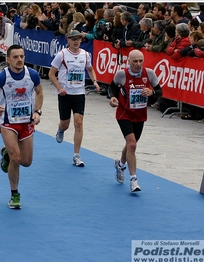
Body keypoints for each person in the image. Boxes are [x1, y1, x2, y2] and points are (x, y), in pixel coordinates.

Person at [0, 44, 44, 209]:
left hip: (26, 122)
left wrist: (37, 112)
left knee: (26, 161)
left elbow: (39, 92)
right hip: (8, 123)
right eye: (15, 57)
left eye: (22, 56)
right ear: (8, 60)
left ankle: (6, 154)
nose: (19, 60)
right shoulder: (1, 77)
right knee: (16, 159)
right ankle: (14, 195)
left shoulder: (33, 75)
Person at [108, 49, 162, 192]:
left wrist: (152, 93)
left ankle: (120, 164)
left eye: (140, 61)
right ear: (129, 62)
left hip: (140, 116)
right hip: (124, 114)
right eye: (135, 61)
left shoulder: (149, 74)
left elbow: (160, 92)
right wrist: (112, 98)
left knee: (131, 144)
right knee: (132, 144)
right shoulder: (122, 74)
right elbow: (111, 88)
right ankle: (134, 180)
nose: (138, 64)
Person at [48, 29, 100, 167]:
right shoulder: (61, 55)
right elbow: (51, 74)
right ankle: (60, 129)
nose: (76, 41)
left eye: (78, 39)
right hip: (65, 94)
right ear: (68, 40)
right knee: (65, 124)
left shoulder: (85, 55)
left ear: (81, 40)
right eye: (73, 39)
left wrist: (94, 81)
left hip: (79, 93)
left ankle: (76, 156)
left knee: (79, 123)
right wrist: (60, 88)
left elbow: (90, 69)